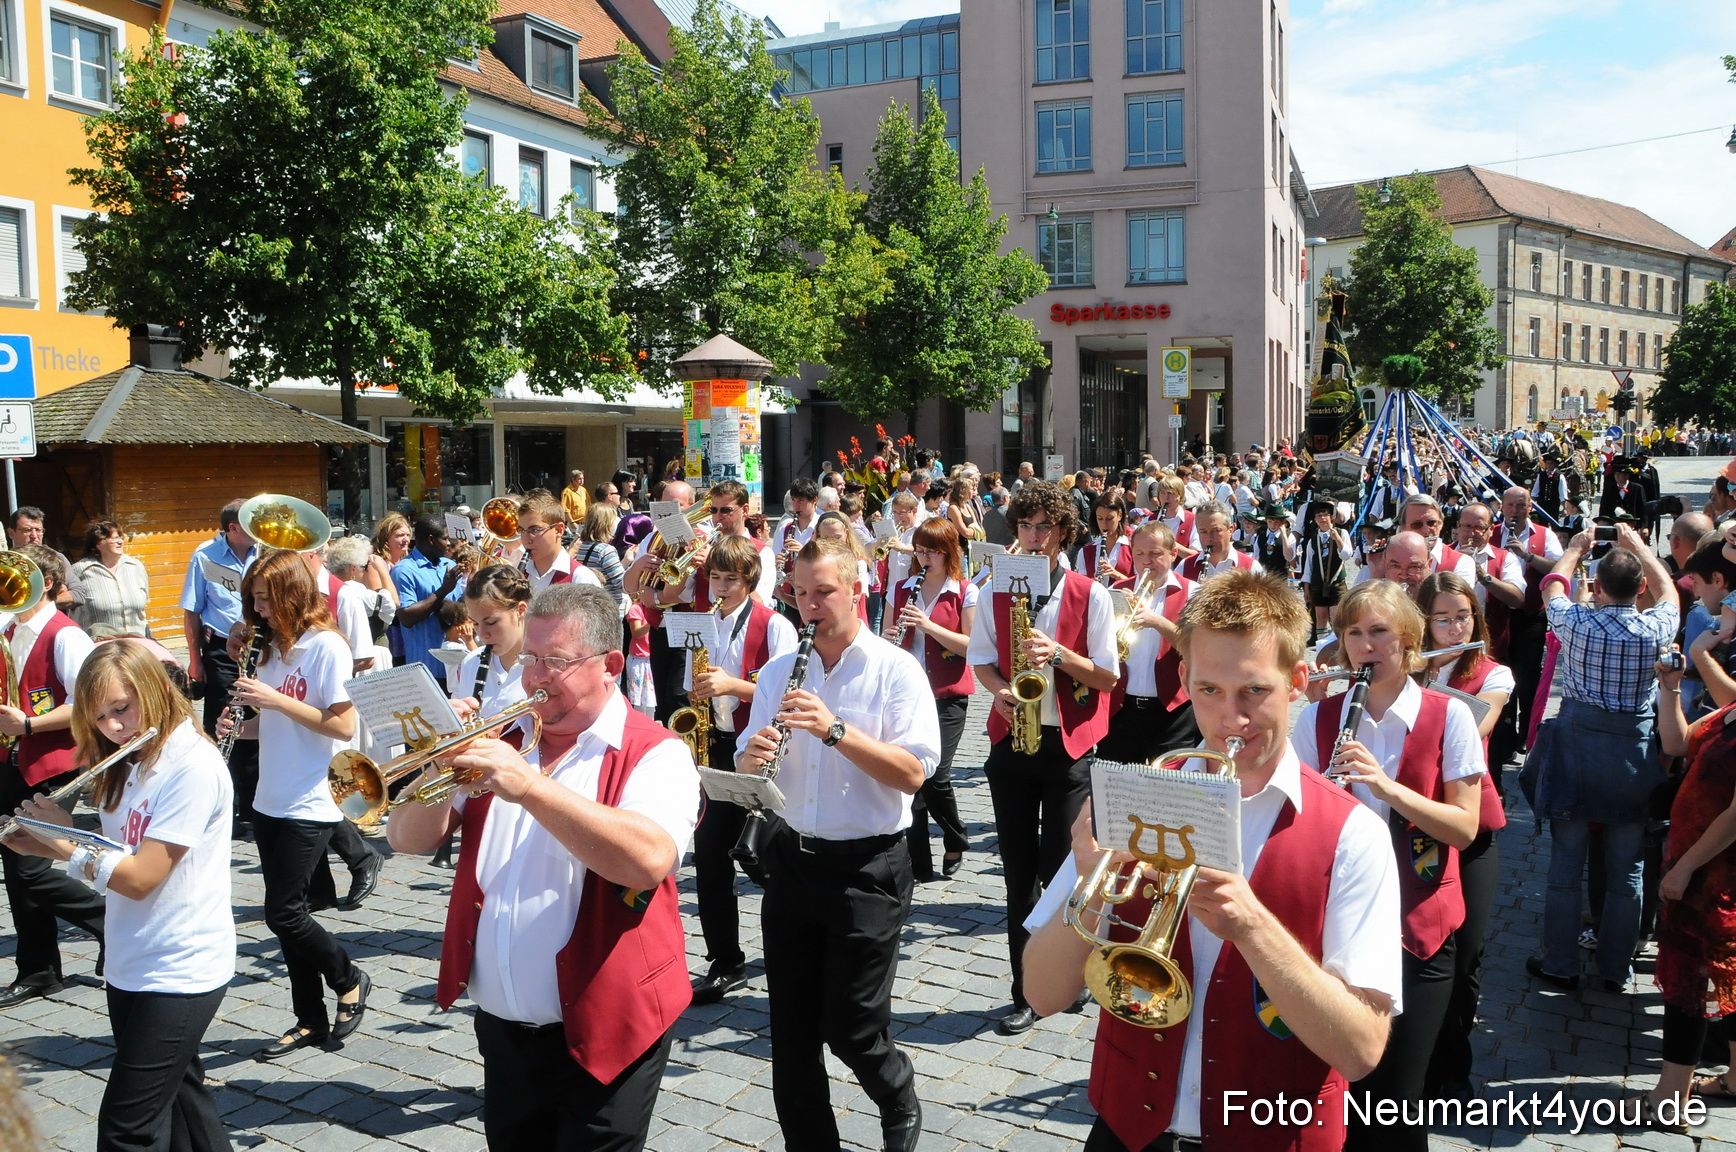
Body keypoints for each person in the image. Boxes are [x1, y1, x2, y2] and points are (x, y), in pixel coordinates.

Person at [1022, 569, 1401, 1152]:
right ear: (1184, 679)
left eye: (1254, 690)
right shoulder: (1137, 794)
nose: (1232, 719)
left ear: (1298, 681)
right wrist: (1091, 879)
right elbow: (1043, 994)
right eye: (1209, 690)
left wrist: (1251, 926)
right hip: (1127, 1131)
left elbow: (1361, 1050)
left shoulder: (1356, 834)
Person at [388, 584, 699, 1150]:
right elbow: (407, 839)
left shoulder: (656, 751)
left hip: (609, 1030)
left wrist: (530, 787)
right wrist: (435, 764)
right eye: (529, 657)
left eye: (555, 661)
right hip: (505, 1034)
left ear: (610, 664)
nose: (533, 677)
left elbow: (647, 860)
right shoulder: (503, 739)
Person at [734, 536, 940, 1152]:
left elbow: (913, 772)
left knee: (852, 1024)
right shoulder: (778, 672)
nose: (810, 605)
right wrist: (751, 757)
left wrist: (834, 730)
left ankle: (897, 1091)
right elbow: (747, 759)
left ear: (858, 589)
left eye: (823, 591)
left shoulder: (895, 669)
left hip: (869, 865)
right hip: (793, 861)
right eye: (799, 593)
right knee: (791, 1034)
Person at [5, 642, 234, 1150]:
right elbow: (121, 849)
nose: (112, 727)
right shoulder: (132, 760)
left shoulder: (190, 766)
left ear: (152, 692)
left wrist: (65, 847)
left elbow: (141, 876)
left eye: (121, 708)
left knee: (127, 1130)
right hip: (133, 954)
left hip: (180, 966)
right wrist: (50, 837)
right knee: (184, 1105)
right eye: (99, 716)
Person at [1295, 580, 1485, 1152]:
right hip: (1337, 933)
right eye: (1354, 633)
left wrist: (1385, 787)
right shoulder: (1316, 720)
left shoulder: (1448, 716)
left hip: (1417, 931)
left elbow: (1464, 826)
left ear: (1407, 639)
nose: (1365, 645)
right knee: (1337, 1096)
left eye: (1379, 632)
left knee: (1396, 1106)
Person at [969, 481, 1119, 1035]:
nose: (1035, 538)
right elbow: (982, 659)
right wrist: (999, 691)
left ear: (1063, 533)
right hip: (1012, 741)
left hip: (1067, 748)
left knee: (1062, 871)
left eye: (1046, 528)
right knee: (1017, 875)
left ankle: (1066, 974)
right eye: (1026, 526)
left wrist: (1058, 654)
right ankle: (1025, 990)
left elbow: (1106, 675)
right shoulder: (994, 590)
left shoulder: (1090, 594)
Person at [221, 549, 367, 1059]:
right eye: (253, 601)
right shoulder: (271, 648)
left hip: (312, 797)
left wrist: (275, 699)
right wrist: (239, 726)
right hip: (270, 797)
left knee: (283, 914)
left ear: (291, 595)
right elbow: (275, 724)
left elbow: (343, 725)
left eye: (265, 599)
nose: (258, 610)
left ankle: (349, 977)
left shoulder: (326, 646)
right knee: (291, 915)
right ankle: (309, 1019)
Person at [1526, 523, 1678, 993]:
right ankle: (1616, 967)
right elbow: (1670, 589)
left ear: (1598, 586)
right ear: (1639, 589)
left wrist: (1574, 549)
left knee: (1566, 862)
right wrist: (1639, 548)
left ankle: (1561, 961)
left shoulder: (1576, 622)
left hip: (1577, 754)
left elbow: (1551, 584)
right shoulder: (1656, 626)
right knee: (1627, 869)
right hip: (1631, 758)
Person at [685, 535, 797, 1004]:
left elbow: (789, 693)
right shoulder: (701, 622)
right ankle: (724, 961)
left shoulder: (775, 627)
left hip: (759, 747)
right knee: (710, 858)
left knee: (765, 857)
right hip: (712, 743)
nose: (721, 587)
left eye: (731, 579)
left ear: (750, 581)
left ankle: (792, 945)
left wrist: (733, 685)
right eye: (715, 577)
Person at [1414, 572, 1513, 1101]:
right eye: (1443, 618)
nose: (1456, 627)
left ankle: (1454, 1065)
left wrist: (1420, 692)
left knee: (1467, 949)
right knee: (1421, 949)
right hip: (1409, 823)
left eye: (1464, 617)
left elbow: (1473, 730)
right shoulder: (1402, 669)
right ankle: (1412, 1060)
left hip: (1469, 824)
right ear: (1423, 623)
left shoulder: (1494, 674)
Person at [1634, 644, 1736, 1130]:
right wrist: (1670, 688)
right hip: (1698, 870)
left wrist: (1685, 868)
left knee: (1690, 982)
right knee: (1725, 977)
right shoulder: (1731, 710)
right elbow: (1677, 744)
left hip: (1713, 879)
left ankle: (1670, 1097)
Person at [0, 546, 103, 1007]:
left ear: (43, 582)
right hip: (11, 760)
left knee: (32, 872)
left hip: (51, 763)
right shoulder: (9, 629)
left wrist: (26, 725)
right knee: (16, 866)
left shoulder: (66, 635)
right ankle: (39, 969)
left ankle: (110, 921)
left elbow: (87, 704)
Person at [883, 516, 976, 882]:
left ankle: (956, 835)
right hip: (907, 694)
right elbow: (885, 642)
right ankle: (919, 864)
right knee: (913, 778)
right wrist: (889, 637)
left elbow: (973, 647)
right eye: (920, 551)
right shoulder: (901, 588)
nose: (925, 558)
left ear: (949, 552)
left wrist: (929, 626)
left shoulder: (966, 591)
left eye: (933, 551)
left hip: (947, 695)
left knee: (936, 776)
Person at [179, 499, 261, 828]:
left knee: (256, 724)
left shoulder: (265, 554)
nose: (258, 530)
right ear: (233, 529)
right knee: (224, 725)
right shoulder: (207, 557)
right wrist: (195, 660)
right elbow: (192, 611)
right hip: (220, 652)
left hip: (259, 649)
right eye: (250, 524)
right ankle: (223, 805)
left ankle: (252, 808)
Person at [392, 516, 463, 678]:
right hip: (426, 668)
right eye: (445, 538)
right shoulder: (404, 570)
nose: (449, 544)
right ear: (431, 540)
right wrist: (443, 590)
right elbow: (406, 617)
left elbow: (460, 607)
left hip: (455, 667)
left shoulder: (449, 565)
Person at [71, 521, 150, 637]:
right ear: (99, 544)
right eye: (114, 538)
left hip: (137, 644)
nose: (120, 542)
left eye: (120, 538)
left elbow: (145, 600)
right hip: (99, 647)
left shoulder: (136, 566)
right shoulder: (80, 571)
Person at [10, 507, 86, 612]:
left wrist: (37, 603)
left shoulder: (57, 558)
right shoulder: (4, 562)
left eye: (38, 530)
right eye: (27, 530)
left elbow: (79, 595)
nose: (34, 536)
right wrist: (53, 593)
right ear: (11, 533)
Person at [1300, 501, 1353, 640]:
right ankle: (1322, 647)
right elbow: (1309, 565)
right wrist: (1306, 587)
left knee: (1336, 618)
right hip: (1318, 583)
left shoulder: (1342, 533)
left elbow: (1347, 555)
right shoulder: (1313, 540)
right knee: (1321, 617)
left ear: (1331, 517)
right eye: (1319, 515)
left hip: (1336, 582)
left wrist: (1338, 540)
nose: (1322, 518)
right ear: (1315, 519)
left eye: (1325, 515)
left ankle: (1340, 647)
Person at [1178, 502, 1256, 583]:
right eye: (1203, 532)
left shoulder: (1251, 567)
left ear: (1231, 529)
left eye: (1215, 531)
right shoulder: (1184, 567)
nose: (1209, 538)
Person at [574, 502, 626, 602]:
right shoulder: (606, 550)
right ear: (607, 525)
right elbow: (622, 585)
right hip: (608, 606)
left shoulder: (578, 546)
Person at [1078, 495, 1133, 584]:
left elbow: (1140, 587)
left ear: (1120, 515)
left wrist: (1117, 575)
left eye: (1109, 518)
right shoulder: (1085, 552)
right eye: (1100, 518)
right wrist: (1090, 584)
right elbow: (1080, 587)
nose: (1104, 524)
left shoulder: (1133, 549)